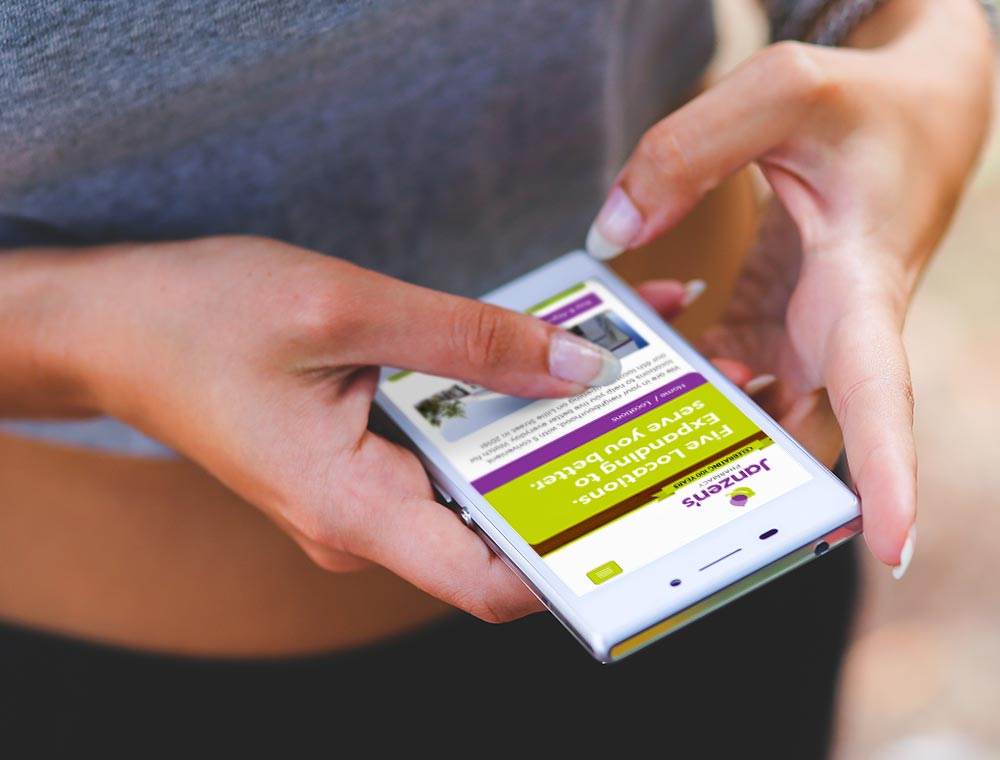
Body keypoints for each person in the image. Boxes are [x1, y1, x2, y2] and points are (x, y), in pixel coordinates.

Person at [0, 0, 994, 755]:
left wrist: (913, 65)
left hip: (711, 513)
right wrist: (76, 333)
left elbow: (901, 23)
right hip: (145, 680)